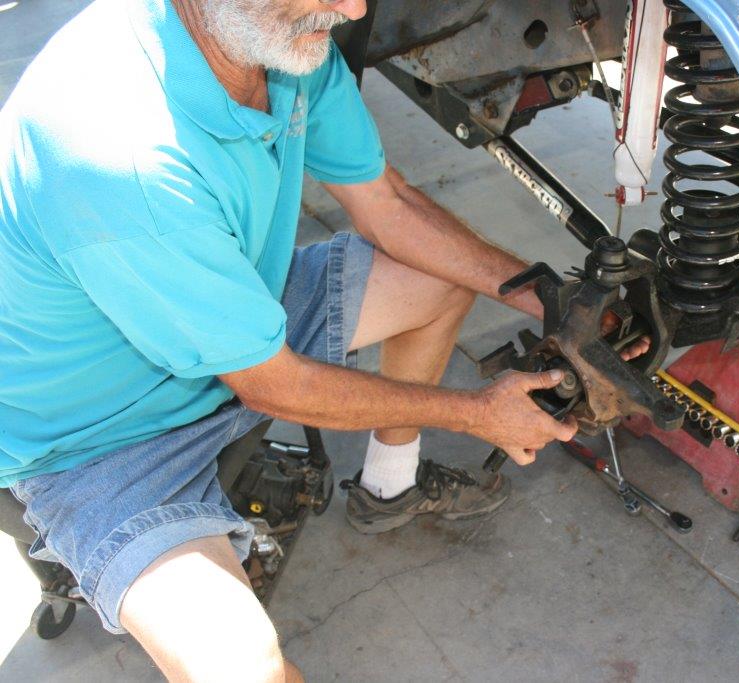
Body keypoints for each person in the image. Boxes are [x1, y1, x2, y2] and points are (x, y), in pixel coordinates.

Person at [0, 0, 655, 678]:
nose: (353, 7)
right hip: (100, 442)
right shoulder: (116, 147)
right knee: (243, 668)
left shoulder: (278, 44)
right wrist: (477, 412)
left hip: (234, 304)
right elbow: (272, 382)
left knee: (436, 277)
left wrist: (547, 295)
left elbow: (387, 203)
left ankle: (389, 486)